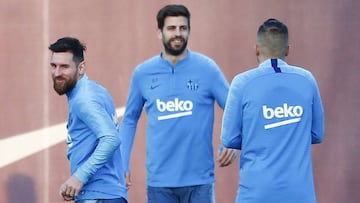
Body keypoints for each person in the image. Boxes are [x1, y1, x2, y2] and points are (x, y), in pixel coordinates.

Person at [119, 4, 236, 203]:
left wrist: (230, 141)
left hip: (199, 182)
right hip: (160, 183)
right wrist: (122, 164)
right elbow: (130, 119)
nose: (178, 34)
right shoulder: (143, 74)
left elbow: (234, 108)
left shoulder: (207, 69)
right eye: (171, 28)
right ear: (160, 32)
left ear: (189, 30)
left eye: (183, 28)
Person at [220, 18, 325, 203]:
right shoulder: (307, 80)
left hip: (255, 194)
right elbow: (317, 134)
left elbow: (229, 139)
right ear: (288, 49)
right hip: (300, 195)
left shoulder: (242, 83)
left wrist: (261, 131)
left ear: (256, 48)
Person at [49, 37, 128, 203]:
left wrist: (79, 177)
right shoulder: (96, 91)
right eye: (53, 66)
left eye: (64, 67)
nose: (57, 73)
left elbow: (111, 139)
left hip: (98, 195)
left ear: (81, 68)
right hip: (107, 193)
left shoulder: (84, 100)